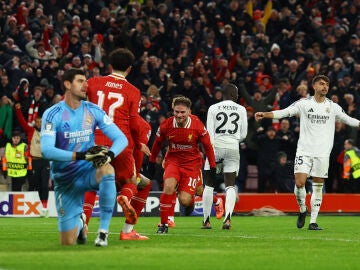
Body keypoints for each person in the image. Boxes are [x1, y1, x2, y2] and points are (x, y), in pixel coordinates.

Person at [255, 74, 360, 230]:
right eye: (322, 84)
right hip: (304, 150)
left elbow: (348, 119)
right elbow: (285, 112)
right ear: (314, 86)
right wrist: (266, 114)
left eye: (327, 85)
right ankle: (303, 208)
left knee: (318, 187)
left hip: (323, 153)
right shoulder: (304, 104)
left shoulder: (333, 107)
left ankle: (313, 221)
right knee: (299, 183)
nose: (325, 87)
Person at [40, 68, 128, 246]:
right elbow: (46, 151)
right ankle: (80, 223)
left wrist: (109, 155)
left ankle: (103, 233)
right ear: (67, 84)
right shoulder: (52, 114)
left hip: (87, 171)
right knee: (68, 242)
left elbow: (121, 138)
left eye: (86, 81)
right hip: (64, 180)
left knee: (107, 169)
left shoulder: (93, 110)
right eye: (80, 81)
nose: (86, 85)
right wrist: (82, 155)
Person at [85, 48, 149, 240]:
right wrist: (140, 143)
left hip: (95, 142)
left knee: (90, 184)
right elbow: (134, 122)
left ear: (110, 65)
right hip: (120, 145)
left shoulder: (93, 83)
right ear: (129, 69)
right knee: (134, 182)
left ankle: (83, 223)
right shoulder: (133, 91)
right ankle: (127, 227)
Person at [148, 96, 218, 234]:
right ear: (173, 111)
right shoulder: (166, 125)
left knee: (185, 200)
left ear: (189, 112)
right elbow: (156, 144)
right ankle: (164, 224)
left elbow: (208, 146)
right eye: (176, 112)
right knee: (168, 187)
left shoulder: (197, 125)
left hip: (192, 164)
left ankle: (193, 204)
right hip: (173, 161)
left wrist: (213, 166)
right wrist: (151, 161)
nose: (179, 115)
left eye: (182, 112)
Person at [202, 83, 248, 230]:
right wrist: (233, 140)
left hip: (215, 147)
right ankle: (227, 219)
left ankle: (206, 221)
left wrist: (215, 148)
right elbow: (244, 134)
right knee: (230, 185)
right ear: (233, 95)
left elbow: (209, 132)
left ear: (222, 94)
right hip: (233, 147)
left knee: (209, 185)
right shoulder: (241, 109)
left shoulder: (213, 108)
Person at [15, 103, 51, 217]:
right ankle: (40, 207)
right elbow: (22, 122)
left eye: (41, 121)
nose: (39, 123)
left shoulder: (48, 132)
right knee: (37, 185)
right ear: (35, 122)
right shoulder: (30, 131)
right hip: (34, 162)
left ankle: (45, 209)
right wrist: (18, 110)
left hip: (45, 161)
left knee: (45, 185)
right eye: (38, 121)